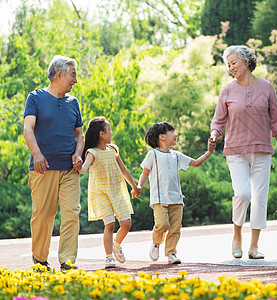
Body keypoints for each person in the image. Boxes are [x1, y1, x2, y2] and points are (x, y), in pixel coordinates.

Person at [210, 45, 277, 260]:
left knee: (260, 198)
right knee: (243, 193)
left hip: (262, 150)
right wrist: (214, 134)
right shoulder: (227, 90)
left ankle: (254, 247)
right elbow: (218, 120)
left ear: (246, 62)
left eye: (234, 63)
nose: (231, 67)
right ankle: (237, 234)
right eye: (228, 65)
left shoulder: (267, 88)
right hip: (235, 150)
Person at [23, 55, 84, 271]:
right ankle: (40, 259)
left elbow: (79, 135)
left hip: (69, 169)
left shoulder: (73, 102)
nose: (75, 80)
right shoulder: (36, 98)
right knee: (43, 215)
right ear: (59, 74)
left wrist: (78, 154)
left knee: (71, 213)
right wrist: (37, 154)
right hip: (43, 167)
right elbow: (28, 128)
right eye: (73, 75)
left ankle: (68, 261)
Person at [137, 122, 216, 264]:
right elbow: (145, 173)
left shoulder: (176, 155)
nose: (176, 135)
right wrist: (139, 186)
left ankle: (171, 253)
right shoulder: (153, 154)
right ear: (162, 137)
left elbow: (196, 162)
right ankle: (156, 242)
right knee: (162, 224)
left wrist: (209, 152)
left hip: (177, 199)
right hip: (159, 198)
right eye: (172, 132)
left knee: (175, 228)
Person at [79, 116, 140, 269]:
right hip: (101, 193)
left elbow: (124, 170)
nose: (111, 133)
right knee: (110, 224)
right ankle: (109, 257)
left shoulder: (113, 149)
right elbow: (85, 169)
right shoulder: (92, 152)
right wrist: (79, 165)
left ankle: (117, 245)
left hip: (117, 191)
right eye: (109, 130)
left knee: (126, 224)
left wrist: (134, 186)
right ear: (101, 134)